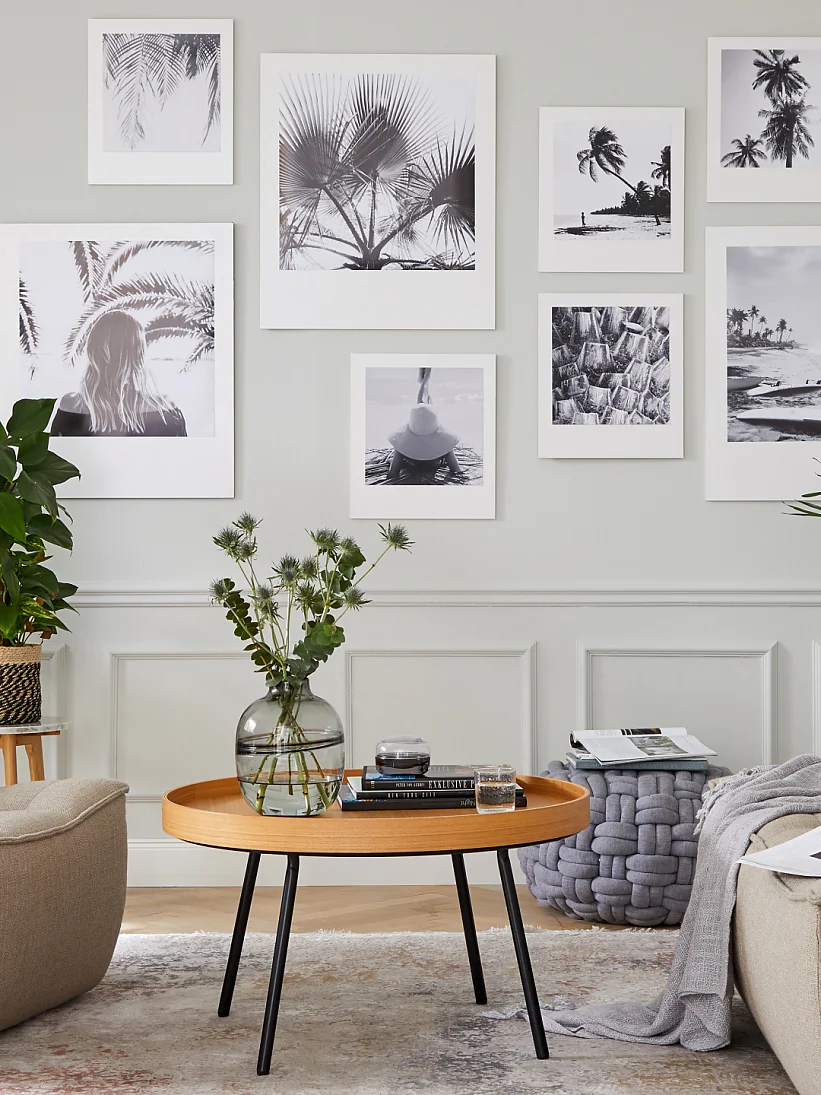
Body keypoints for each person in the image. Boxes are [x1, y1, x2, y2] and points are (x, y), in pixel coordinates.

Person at [51, 311, 186, 437]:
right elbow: (184, 458)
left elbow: (55, 456)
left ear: (93, 352)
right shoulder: (165, 409)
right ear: (139, 355)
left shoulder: (70, 405)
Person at [386, 403, 462, 482]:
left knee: (394, 458)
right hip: (433, 463)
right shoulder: (446, 446)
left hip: (412, 462)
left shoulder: (401, 446)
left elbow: (393, 473)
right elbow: (456, 470)